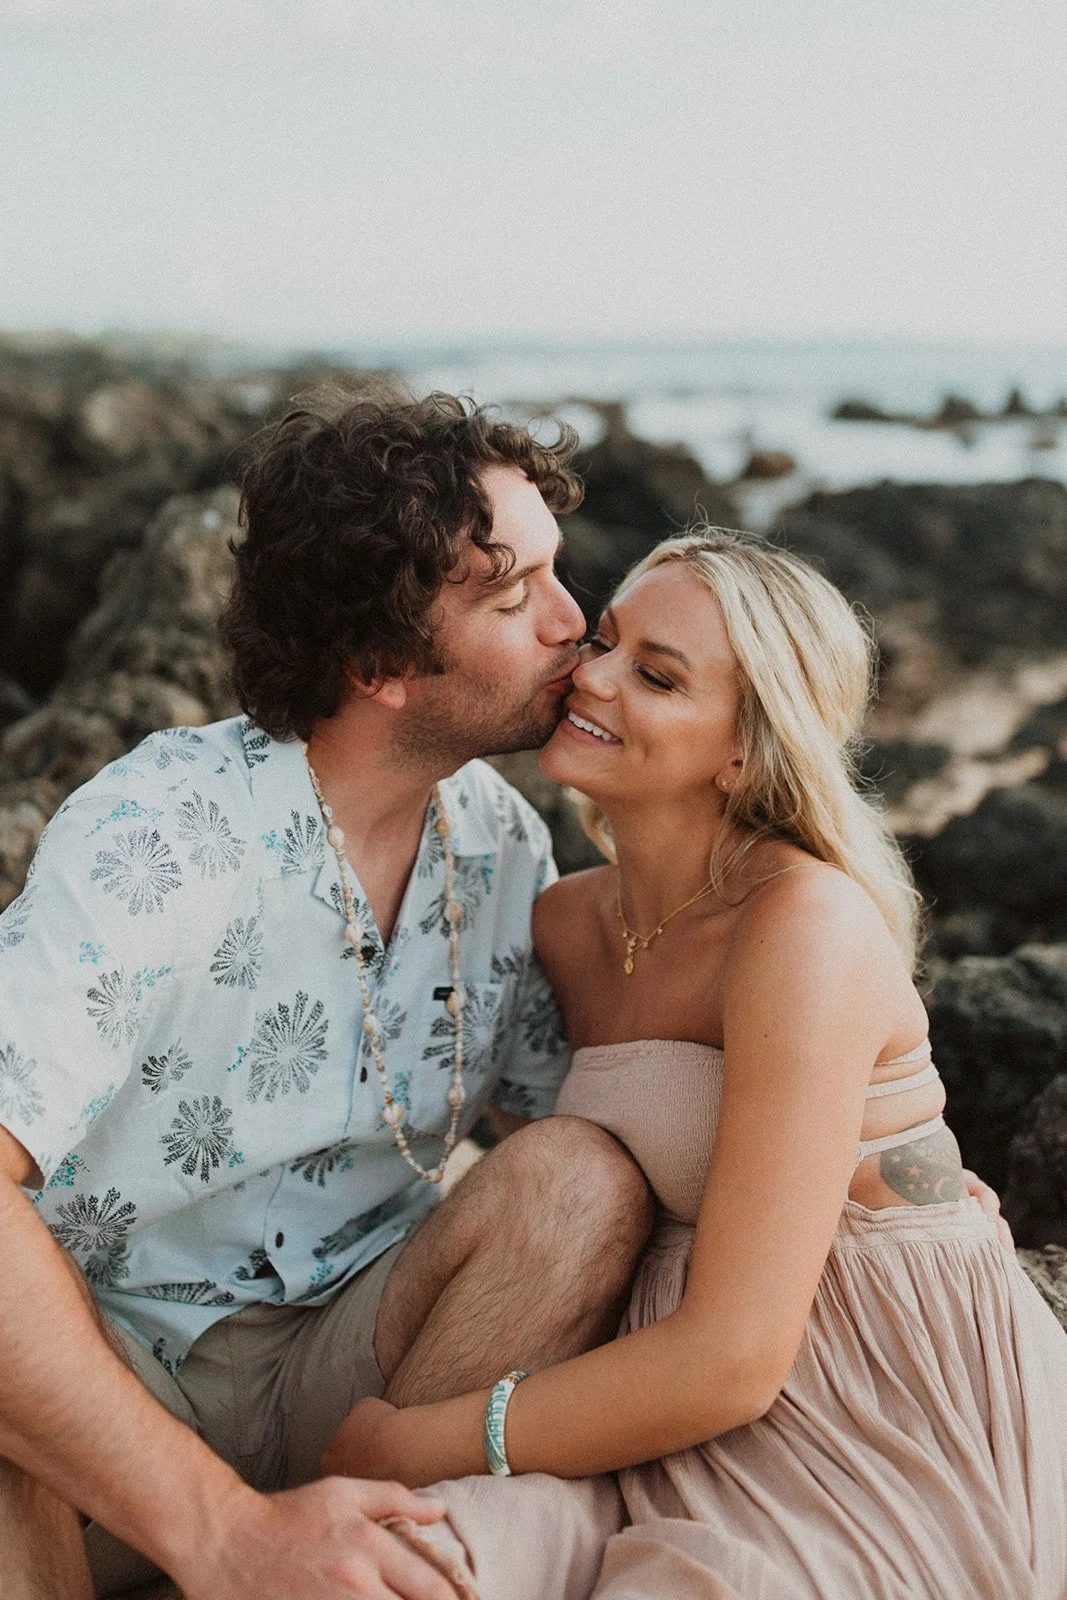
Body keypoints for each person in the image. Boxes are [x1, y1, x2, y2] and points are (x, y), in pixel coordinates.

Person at [324, 529, 1067, 1600]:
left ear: (743, 753)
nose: (593, 677)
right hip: (645, 1381)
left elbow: (734, 1356)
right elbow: (535, 1167)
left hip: (861, 1397)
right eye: (606, 641)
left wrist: (409, 1442)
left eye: (658, 677)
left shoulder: (801, 924)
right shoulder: (567, 923)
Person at [0, 388, 656, 1600]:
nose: (574, 623)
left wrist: (873, 1157)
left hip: (350, 1372)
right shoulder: (163, 831)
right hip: (107, 1392)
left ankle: (362, 1559)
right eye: (512, 596)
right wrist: (222, 1530)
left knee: (580, 1181)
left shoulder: (500, 843)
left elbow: (591, 1108)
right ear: (378, 664)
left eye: (556, 572)